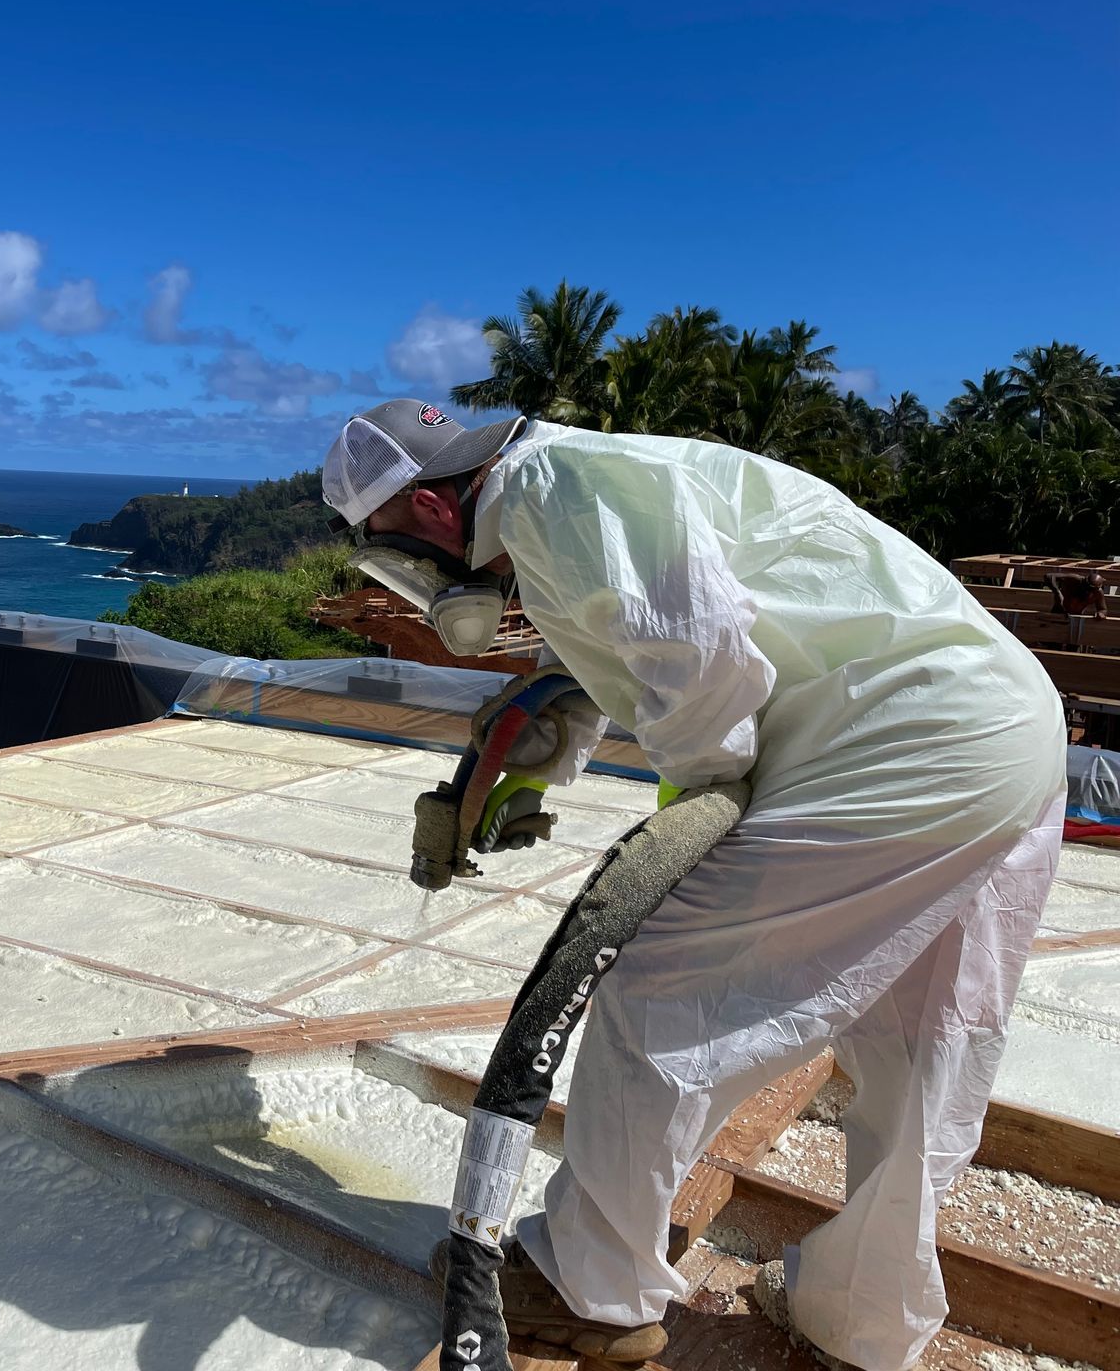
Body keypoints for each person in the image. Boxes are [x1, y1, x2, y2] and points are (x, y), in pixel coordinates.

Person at [320, 399, 1067, 1371]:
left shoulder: (550, 492)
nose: (412, 579)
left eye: (391, 550)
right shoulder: (576, 493)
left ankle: (593, 1293)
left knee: (660, 987)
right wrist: (533, 766)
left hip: (899, 749)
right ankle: (863, 1320)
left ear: (425, 506)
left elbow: (701, 671)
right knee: (922, 1046)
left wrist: (696, 811)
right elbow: (610, 658)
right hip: (1004, 732)